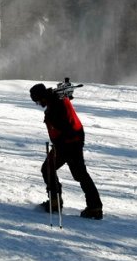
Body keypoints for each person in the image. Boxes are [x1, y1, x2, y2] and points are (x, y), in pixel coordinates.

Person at [29, 83, 103, 219]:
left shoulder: (54, 107)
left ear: (42, 97)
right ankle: (59, 202)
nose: (39, 104)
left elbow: (65, 128)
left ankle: (93, 207)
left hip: (69, 143)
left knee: (72, 173)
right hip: (72, 140)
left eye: (38, 101)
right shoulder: (56, 97)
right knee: (52, 169)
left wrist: (60, 145)